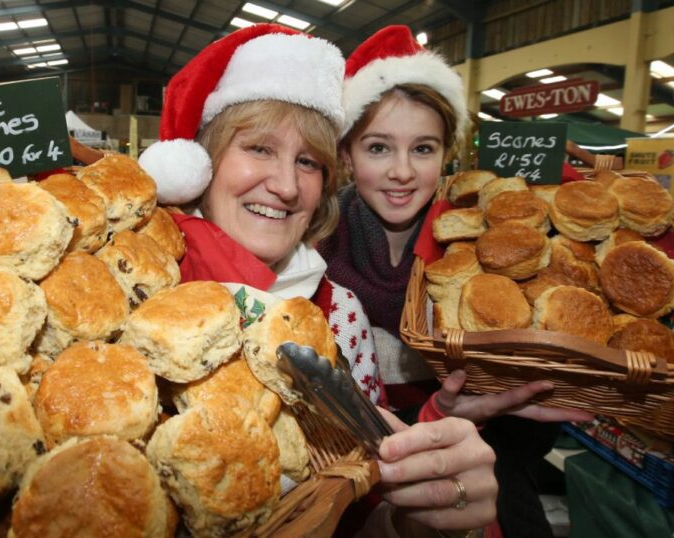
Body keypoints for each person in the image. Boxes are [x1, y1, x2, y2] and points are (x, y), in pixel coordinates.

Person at [138, 23, 497, 533]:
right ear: (202, 162)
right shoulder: (136, 289)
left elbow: (361, 502)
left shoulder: (341, 313)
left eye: (307, 161)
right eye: (259, 148)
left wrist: (421, 517)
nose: (286, 186)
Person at [318, 26, 593, 537]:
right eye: (379, 148)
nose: (402, 171)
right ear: (346, 154)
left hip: (489, 474)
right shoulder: (314, 256)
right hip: (357, 491)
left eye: (422, 149)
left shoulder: (485, 254)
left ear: (446, 154)